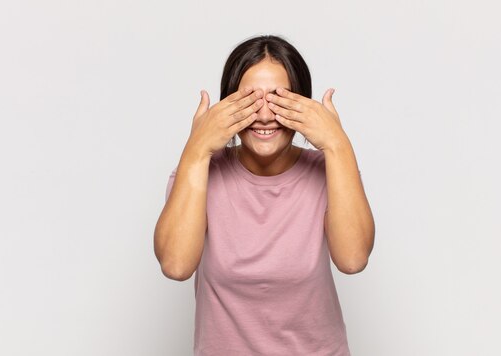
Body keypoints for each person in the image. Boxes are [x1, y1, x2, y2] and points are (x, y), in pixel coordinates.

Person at [154, 34, 375, 356]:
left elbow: (353, 260)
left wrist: (337, 145)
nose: (265, 115)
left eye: (279, 99)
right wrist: (197, 149)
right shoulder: (198, 172)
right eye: (249, 100)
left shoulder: (329, 173)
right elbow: (176, 265)